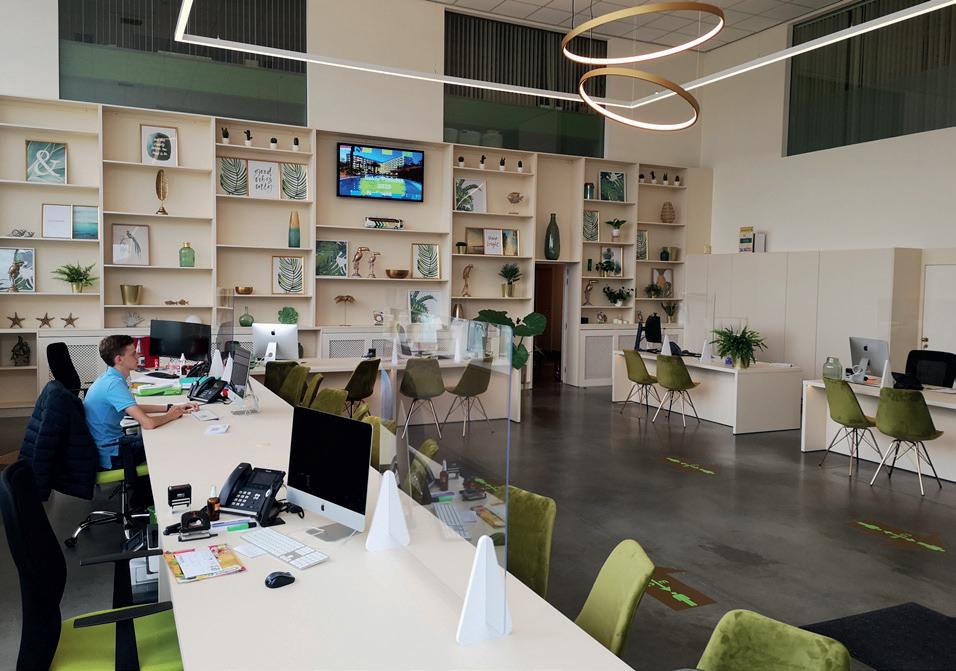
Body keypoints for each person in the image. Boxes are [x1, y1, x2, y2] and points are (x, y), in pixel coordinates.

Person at [85, 334, 198, 505]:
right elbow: (148, 423)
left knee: (159, 436)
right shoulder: (113, 385)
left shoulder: (109, 377)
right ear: (119, 359)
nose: (138, 356)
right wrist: (172, 415)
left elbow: (132, 407)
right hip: (113, 454)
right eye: (133, 354)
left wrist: (169, 407)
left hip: (105, 447)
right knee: (168, 442)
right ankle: (145, 501)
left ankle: (144, 495)